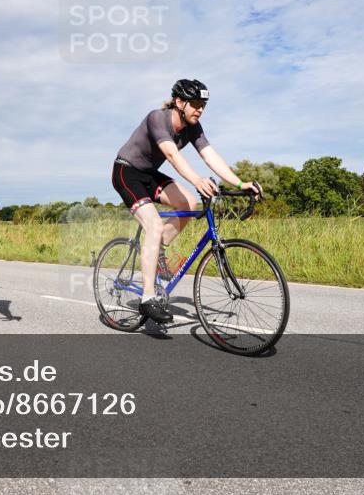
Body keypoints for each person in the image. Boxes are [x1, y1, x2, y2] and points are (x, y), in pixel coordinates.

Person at [111, 79, 261, 323]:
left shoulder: (194, 127)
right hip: (126, 172)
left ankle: (156, 249)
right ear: (179, 102)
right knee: (154, 224)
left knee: (190, 204)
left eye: (203, 105)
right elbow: (171, 155)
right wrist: (197, 180)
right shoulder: (157, 118)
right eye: (195, 104)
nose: (200, 109)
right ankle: (148, 298)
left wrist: (241, 183)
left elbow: (211, 156)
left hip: (149, 174)